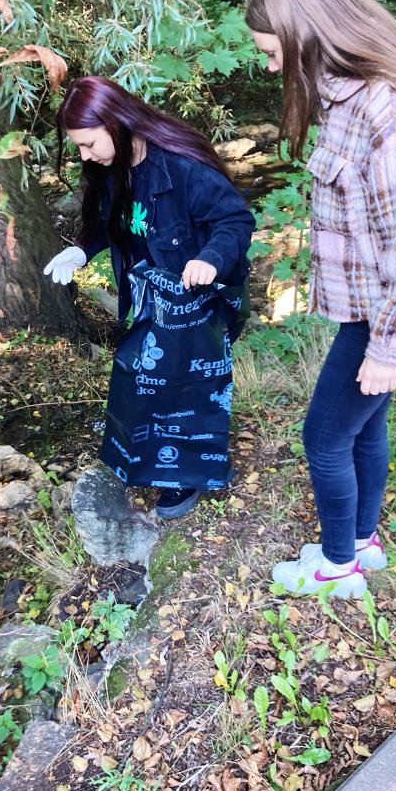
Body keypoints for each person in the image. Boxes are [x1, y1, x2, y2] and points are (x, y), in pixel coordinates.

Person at [245, 0, 396, 597]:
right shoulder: (348, 98)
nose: (270, 68)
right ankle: (364, 542)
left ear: (310, 35)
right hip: (374, 310)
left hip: (392, 318)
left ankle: (336, 567)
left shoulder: (394, 118)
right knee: (363, 424)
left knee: (323, 438)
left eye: (273, 53)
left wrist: (386, 350)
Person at [44, 75, 256, 518]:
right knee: (145, 376)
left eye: (88, 144)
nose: (85, 156)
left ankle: (187, 476)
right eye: (79, 147)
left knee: (187, 387)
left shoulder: (181, 167)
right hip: (148, 296)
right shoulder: (111, 170)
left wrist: (210, 259)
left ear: (116, 123)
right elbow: (109, 225)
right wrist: (81, 250)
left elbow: (234, 221)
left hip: (197, 298)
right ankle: (158, 458)